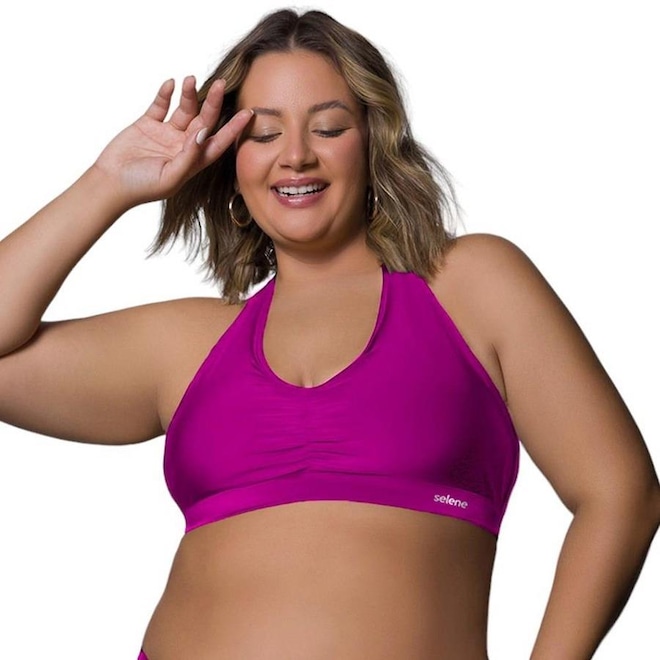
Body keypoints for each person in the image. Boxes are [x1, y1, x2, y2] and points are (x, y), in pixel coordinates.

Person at [0, 7, 658, 659]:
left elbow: (620, 495)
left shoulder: (471, 286)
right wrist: (109, 183)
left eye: (329, 127)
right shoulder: (189, 346)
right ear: (230, 161)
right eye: (263, 134)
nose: (295, 156)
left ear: (373, 141)